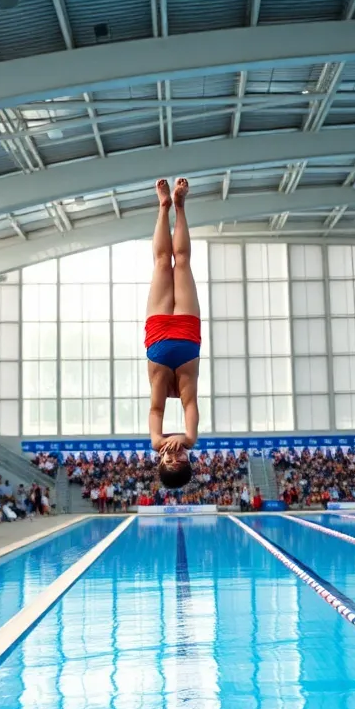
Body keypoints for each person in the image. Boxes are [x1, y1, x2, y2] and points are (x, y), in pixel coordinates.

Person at [145, 178, 200, 490]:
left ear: (160, 460)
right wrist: (187, 437)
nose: (175, 454)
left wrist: (158, 439)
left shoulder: (158, 440)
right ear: (189, 459)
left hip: (157, 335)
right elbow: (190, 408)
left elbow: (155, 410)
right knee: (183, 265)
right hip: (188, 335)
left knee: (162, 264)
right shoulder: (188, 436)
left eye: (169, 460)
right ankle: (180, 207)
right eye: (181, 460)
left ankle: (163, 206)